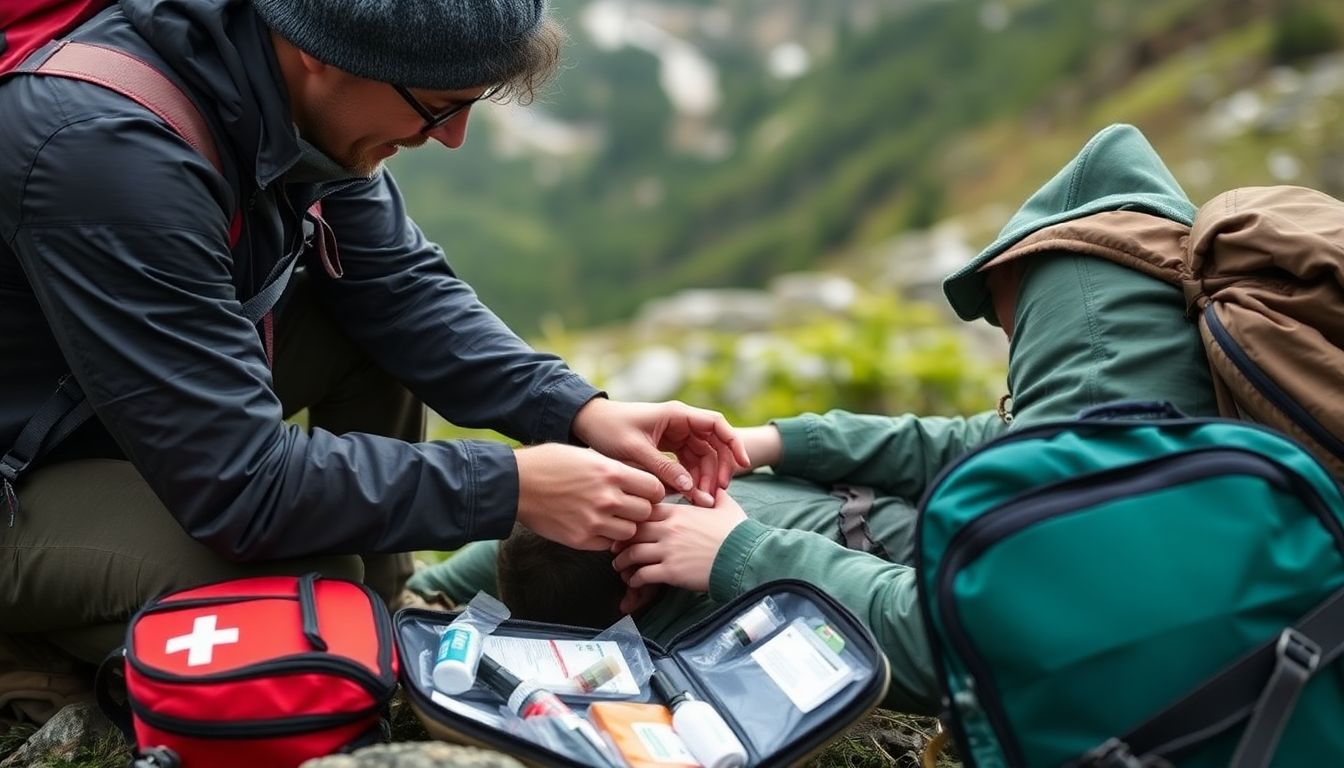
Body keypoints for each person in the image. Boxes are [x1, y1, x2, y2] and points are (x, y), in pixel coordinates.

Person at [0, 0, 747, 723]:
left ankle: (386, 622)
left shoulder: (274, 88)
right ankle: (33, 644)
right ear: (321, 54)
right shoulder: (108, 150)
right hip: (26, 473)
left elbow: (399, 290)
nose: (453, 137)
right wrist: (513, 486)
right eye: (436, 106)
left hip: (116, 410)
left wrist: (582, 412)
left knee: (355, 326)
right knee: (302, 608)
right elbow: (242, 486)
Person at [612, 124, 1223, 713]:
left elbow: (966, 642)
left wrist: (740, 553)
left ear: (1058, 307)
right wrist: (773, 441)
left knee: (766, 514)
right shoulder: (1155, 394)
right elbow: (989, 442)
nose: (1006, 341)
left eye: (1013, 320)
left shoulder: (1106, 415)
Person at [409, 471, 923, 640]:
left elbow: (439, 586)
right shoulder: (683, 495)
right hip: (896, 523)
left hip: (909, 544)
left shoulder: (701, 622)